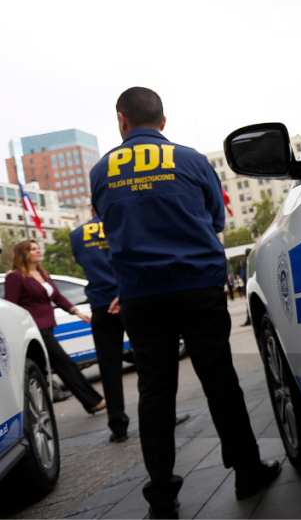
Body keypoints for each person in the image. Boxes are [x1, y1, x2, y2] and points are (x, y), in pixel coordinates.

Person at [91, 87, 278, 519]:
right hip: (196, 285)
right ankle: (247, 472)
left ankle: (161, 498)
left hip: (139, 292)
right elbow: (216, 219)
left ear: (121, 120)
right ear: (163, 121)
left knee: (155, 391)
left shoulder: (102, 171)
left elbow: (107, 222)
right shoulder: (191, 160)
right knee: (219, 377)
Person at [70, 213, 190, 443]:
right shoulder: (122, 221)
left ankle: (118, 426)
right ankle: (164, 415)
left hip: (100, 303)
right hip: (131, 297)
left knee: (109, 367)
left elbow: (81, 261)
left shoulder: (77, 234)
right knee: (149, 361)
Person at [4, 240, 106, 414]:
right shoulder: (16, 277)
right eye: (33, 249)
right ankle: (93, 401)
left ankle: (84, 403)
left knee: (53, 367)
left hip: (47, 325)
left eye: (38, 248)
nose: (38, 251)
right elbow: (11, 304)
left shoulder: (42, 273)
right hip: (34, 328)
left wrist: (76, 312)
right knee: (65, 363)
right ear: (24, 254)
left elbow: (57, 297)